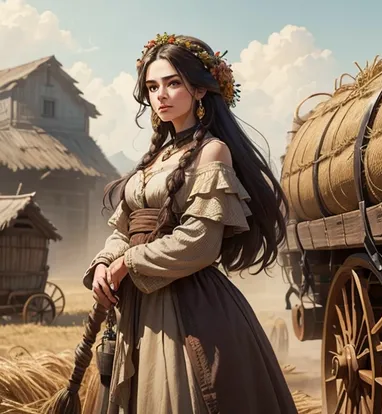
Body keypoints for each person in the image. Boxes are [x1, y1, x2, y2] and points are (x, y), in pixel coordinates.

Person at [82, 32, 298, 413]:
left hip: (189, 307)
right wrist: (104, 262)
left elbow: (200, 240)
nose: (160, 94)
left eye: (173, 83)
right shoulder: (153, 159)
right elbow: (122, 229)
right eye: (152, 86)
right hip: (136, 305)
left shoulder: (213, 151)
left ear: (199, 91)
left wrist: (128, 263)